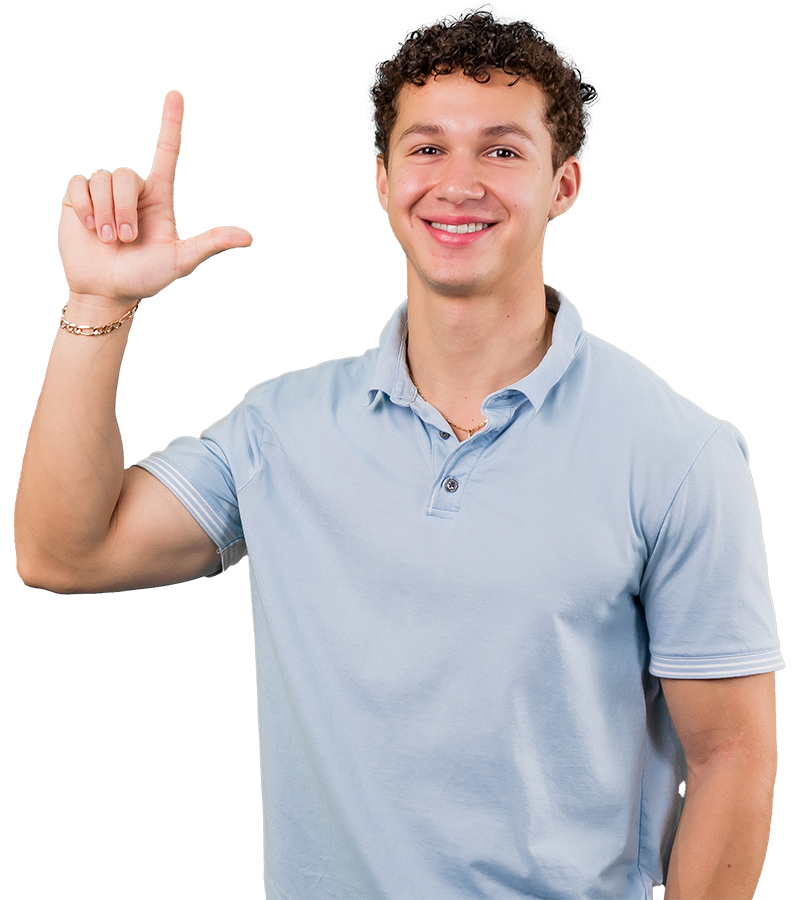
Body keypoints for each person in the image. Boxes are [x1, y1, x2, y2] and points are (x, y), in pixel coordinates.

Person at [15, 8, 783, 899]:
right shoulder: (280, 429)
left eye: (502, 150)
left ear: (563, 185)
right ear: (382, 181)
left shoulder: (679, 454)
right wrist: (100, 301)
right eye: (426, 149)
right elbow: (59, 552)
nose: (458, 184)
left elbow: (731, 755)